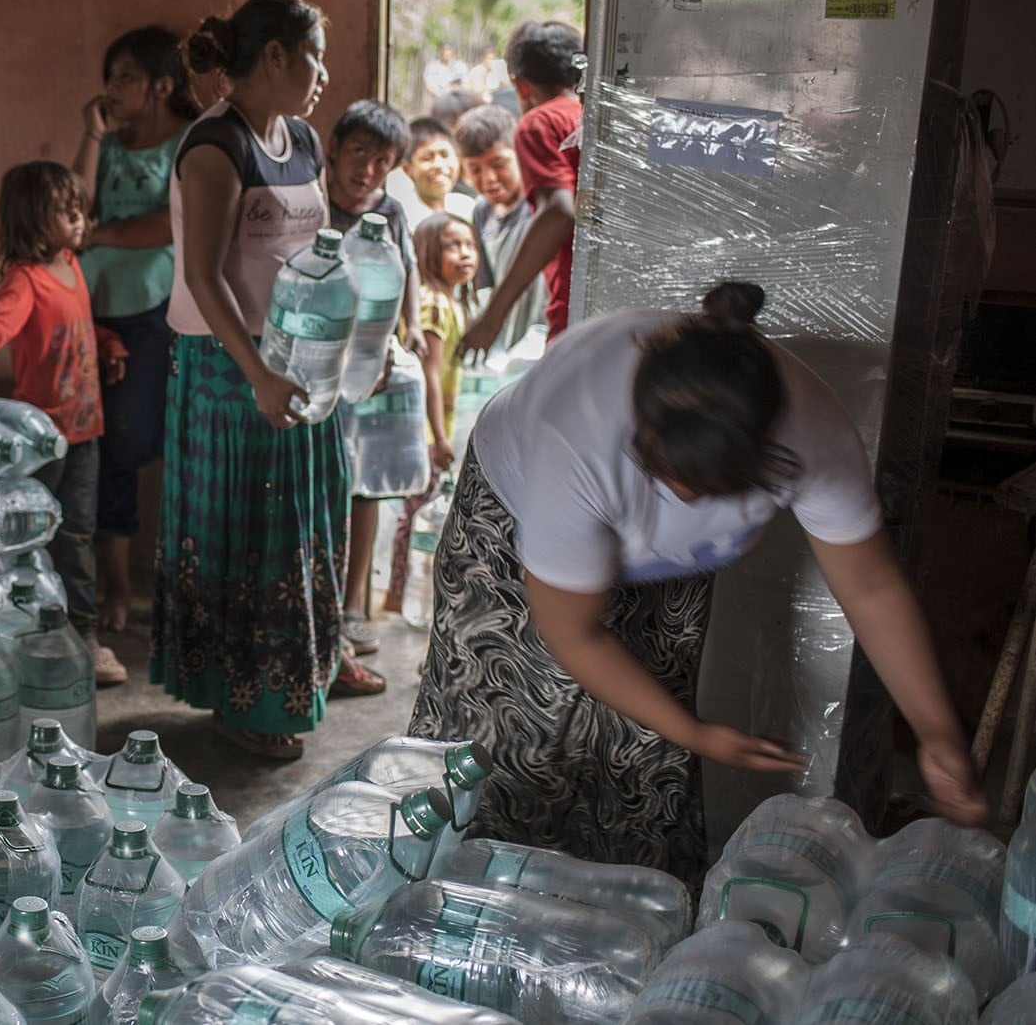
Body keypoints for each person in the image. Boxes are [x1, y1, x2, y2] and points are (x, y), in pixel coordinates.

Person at [409, 283, 988, 879]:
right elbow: (575, 636)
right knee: (504, 742)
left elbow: (871, 588)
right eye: (665, 473)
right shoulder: (579, 437)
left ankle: (613, 916)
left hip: (666, 567)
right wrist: (697, 732)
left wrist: (935, 731)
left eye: (708, 489)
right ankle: (466, 903)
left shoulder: (811, 434)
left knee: (641, 757)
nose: (680, 494)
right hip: (514, 523)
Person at [153, 0, 346, 759]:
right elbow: (204, 276)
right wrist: (259, 374)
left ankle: (291, 681)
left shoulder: (299, 138)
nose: (322, 74)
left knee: (294, 524)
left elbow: (311, 251)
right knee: (243, 531)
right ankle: (240, 701)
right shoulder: (214, 146)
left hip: (294, 359)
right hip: (228, 369)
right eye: (314, 56)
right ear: (275, 56)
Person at [0, 161, 125, 684]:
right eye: (65, 209)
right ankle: (19, 625)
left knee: (77, 533)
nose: (80, 215)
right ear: (33, 220)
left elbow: (75, 327)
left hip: (85, 435)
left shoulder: (71, 266)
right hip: (41, 441)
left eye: (79, 205)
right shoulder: (25, 280)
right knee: (22, 534)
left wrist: (107, 345)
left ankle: (83, 633)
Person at [72, 26, 196, 638]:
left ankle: (167, 584)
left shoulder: (186, 147)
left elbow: (169, 226)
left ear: (162, 86)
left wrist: (97, 234)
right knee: (104, 450)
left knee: (136, 441)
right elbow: (75, 203)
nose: (111, 89)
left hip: (151, 314)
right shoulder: (112, 145)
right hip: (89, 312)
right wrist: (93, 135)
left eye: (125, 77)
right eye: (110, 77)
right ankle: (115, 585)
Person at [321, 98, 424, 663]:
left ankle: (355, 606)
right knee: (324, 481)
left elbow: (405, 270)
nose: (367, 170)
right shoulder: (311, 205)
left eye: (383, 160)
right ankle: (321, 599)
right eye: (359, 152)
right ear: (334, 150)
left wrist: (412, 329)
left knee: (365, 484)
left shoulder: (390, 211)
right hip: (317, 367)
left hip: (370, 366)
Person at [463, 21, 583, 352]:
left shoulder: (540, 122)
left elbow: (559, 211)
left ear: (520, 85)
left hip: (574, 310)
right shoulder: (597, 115)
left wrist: (492, 317)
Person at [380, 213, 474, 616]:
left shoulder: (452, 301)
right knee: (415, 515)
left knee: (417, 511)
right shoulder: (434, 305)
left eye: (469, 244)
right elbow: (429, 372)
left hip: (433, 428)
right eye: (453, 246)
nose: (465, 253)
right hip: (424, 432)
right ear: (427, 254)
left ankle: (399, 592)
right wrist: (439, 436)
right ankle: (396, 593)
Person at [455, 103, 545, 346]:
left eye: (499, 164)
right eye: (475, 170)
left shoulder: (540, 206)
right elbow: (484, 284)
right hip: (504, 341)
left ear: (519, 154)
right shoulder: (481, 212)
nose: (489, 179)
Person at [386, 118, 477, 232]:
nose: (439, 165)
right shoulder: (401, 218)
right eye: (427, 158)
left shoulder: (467, 207)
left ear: (458, 159)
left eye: (445, 155)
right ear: (407, 168)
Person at [421, 43, 468, 110]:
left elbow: (465, 82)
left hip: (457, 99)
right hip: (438, 99)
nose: (447, 56)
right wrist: (441, 97)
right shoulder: (432, 67)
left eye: (449, 54)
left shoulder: (460, 66)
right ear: (440, 53)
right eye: (445, 54)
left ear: (453, 53)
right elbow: (428, 85)